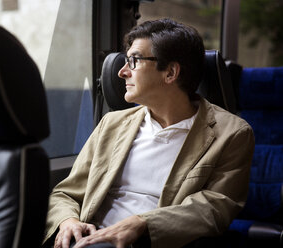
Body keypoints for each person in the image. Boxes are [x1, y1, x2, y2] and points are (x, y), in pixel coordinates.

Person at [43, 18, 255, 248]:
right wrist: (68, 221)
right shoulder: (111, 124)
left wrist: (141, 224)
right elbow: (66, 193)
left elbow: (213, 208)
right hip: (88, 240)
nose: (122, 72)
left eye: (134, 61)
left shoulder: (231, 134)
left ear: (170, 72)